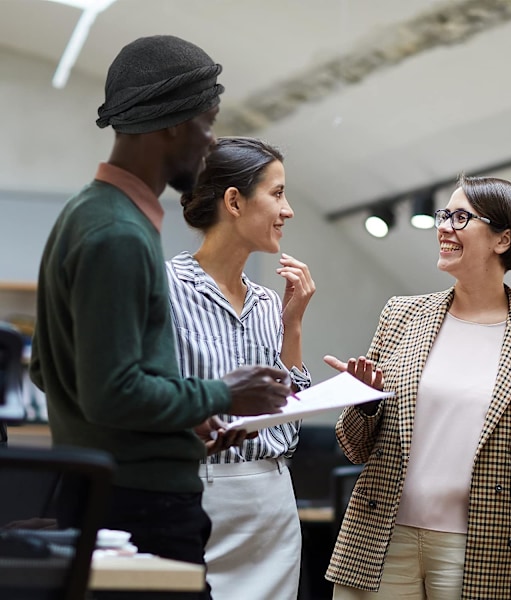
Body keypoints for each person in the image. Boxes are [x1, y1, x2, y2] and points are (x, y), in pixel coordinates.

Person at [28, 35, 292, 596]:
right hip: (140, 505)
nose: (211, 141)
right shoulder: (119, 233)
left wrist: (183, 416)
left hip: (112, 493)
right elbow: (112, 392)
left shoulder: (90, 214)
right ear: (174, 124)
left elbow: (49, 373)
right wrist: (220, 395)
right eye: (208, 121)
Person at [323, 174, 511, 600]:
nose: (443, 226)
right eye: (445, 214)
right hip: (381, 538)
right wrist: (362, 401)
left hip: (483, 549)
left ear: (503, 239)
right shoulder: (402, 316)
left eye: (461, 217)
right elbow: (353, 446)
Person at [166, 136, 315, 599]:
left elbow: (286, 434)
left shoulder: (270, 302)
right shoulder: (164, 288)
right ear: (234, 201)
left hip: (272, 506)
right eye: (277, 193)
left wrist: (292, 327)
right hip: (197, 499)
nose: (287, 210)